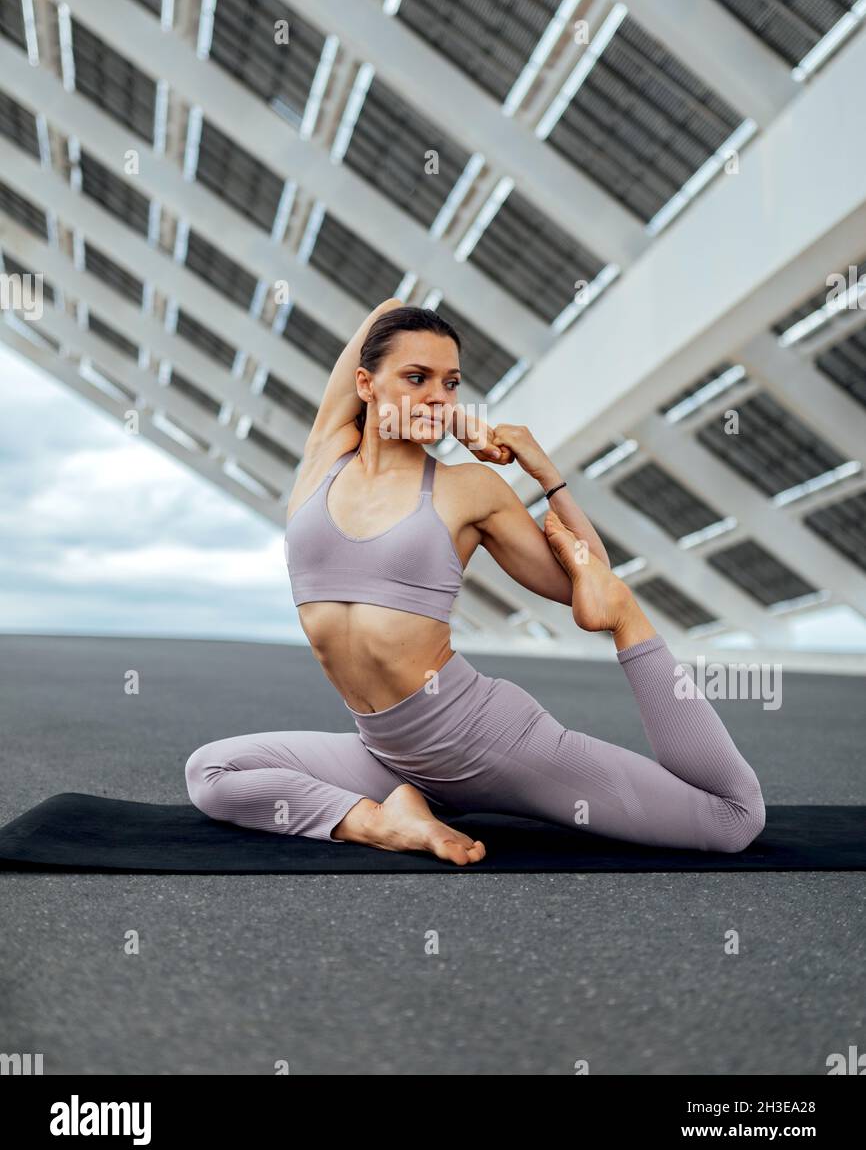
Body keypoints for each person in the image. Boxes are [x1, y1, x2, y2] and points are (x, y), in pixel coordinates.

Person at [185, 299, 765, 865]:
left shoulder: (468, 488)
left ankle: (636, 630)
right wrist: (455, 417)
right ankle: (386, 822)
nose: (438, 395)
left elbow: (586, 580)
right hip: (387, 753)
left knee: (732, 821)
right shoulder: (324, 455)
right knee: (210, 773)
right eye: (417, 377)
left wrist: (542, 470)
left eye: (452, 384)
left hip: (488, 744)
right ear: (365, 384)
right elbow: (389, 306)